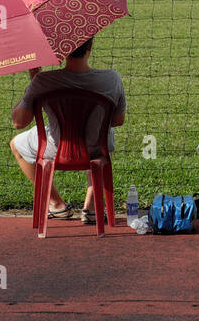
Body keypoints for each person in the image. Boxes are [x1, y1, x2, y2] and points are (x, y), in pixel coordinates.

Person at [9, 35, 126, 224]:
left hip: (55, 150)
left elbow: (19, 122)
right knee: (104, 135)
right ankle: (91, 208)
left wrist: (33, 83)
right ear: (91, 46)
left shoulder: (43, 81)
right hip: (96, 149)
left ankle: (56, 205)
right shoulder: (112, 79)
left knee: (16, 144)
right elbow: (118, 121)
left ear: (60, 49)